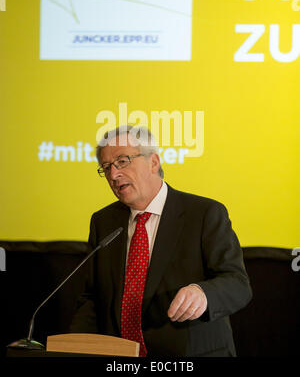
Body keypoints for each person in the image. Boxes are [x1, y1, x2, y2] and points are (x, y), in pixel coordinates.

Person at [70, 125, 252, 357]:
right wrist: (73, 347)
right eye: (106, 168)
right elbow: (93, 297)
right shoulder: (103, 221)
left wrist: (203, 293)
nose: (113, 175)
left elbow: (238, 284)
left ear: (153, 162)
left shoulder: (204, 213)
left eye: (122, 161)